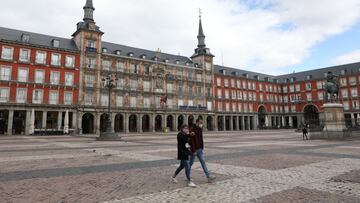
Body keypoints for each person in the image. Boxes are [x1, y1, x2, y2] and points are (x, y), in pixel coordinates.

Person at [189, 119, 216, 183]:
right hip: (194, 150)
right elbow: (191, 141)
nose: (202, 124)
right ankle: (188, 175)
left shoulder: (200, 129)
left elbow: (200, 139)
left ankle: (208, 176)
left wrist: (202, 147)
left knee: (203, 162)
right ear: (197, 122)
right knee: (190, 163)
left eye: (202, 123)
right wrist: (193, 150)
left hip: (200, 149)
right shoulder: (192, 129)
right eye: (200, 123)